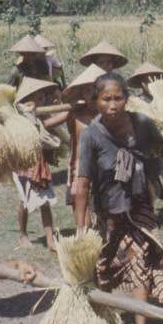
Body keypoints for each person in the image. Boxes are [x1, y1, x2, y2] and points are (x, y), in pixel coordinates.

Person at [73, 71, 163, 324]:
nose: (113, 105)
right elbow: (83, 182)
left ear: (126, 98)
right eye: (106, 99)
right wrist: (80, 227)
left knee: (141, 262)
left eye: (118, 98)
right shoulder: (91, 135)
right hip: (108, 212)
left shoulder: (141, 124)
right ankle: (102, 318)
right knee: (103, 266)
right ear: (96, 101)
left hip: (140, 206)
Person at [12, 76, 70, 251]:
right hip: (22, 164)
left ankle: (50, 239)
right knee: (24, 201)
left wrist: (70, 108)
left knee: (45, 202)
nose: (40, 101)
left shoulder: (41, 117)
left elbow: (54, 125)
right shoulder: (18, 118)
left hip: (39, 164)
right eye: (37, 98)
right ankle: (22, 234)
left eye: (42, 98)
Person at [60, 63, 105, 212]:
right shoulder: (75, 115)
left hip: (104, 170)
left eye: (94, 90)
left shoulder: (110, 116)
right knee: (82, 213)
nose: (91, 94)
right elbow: (48, 124)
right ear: (81, 94)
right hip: (78, 171)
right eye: (86, 90)